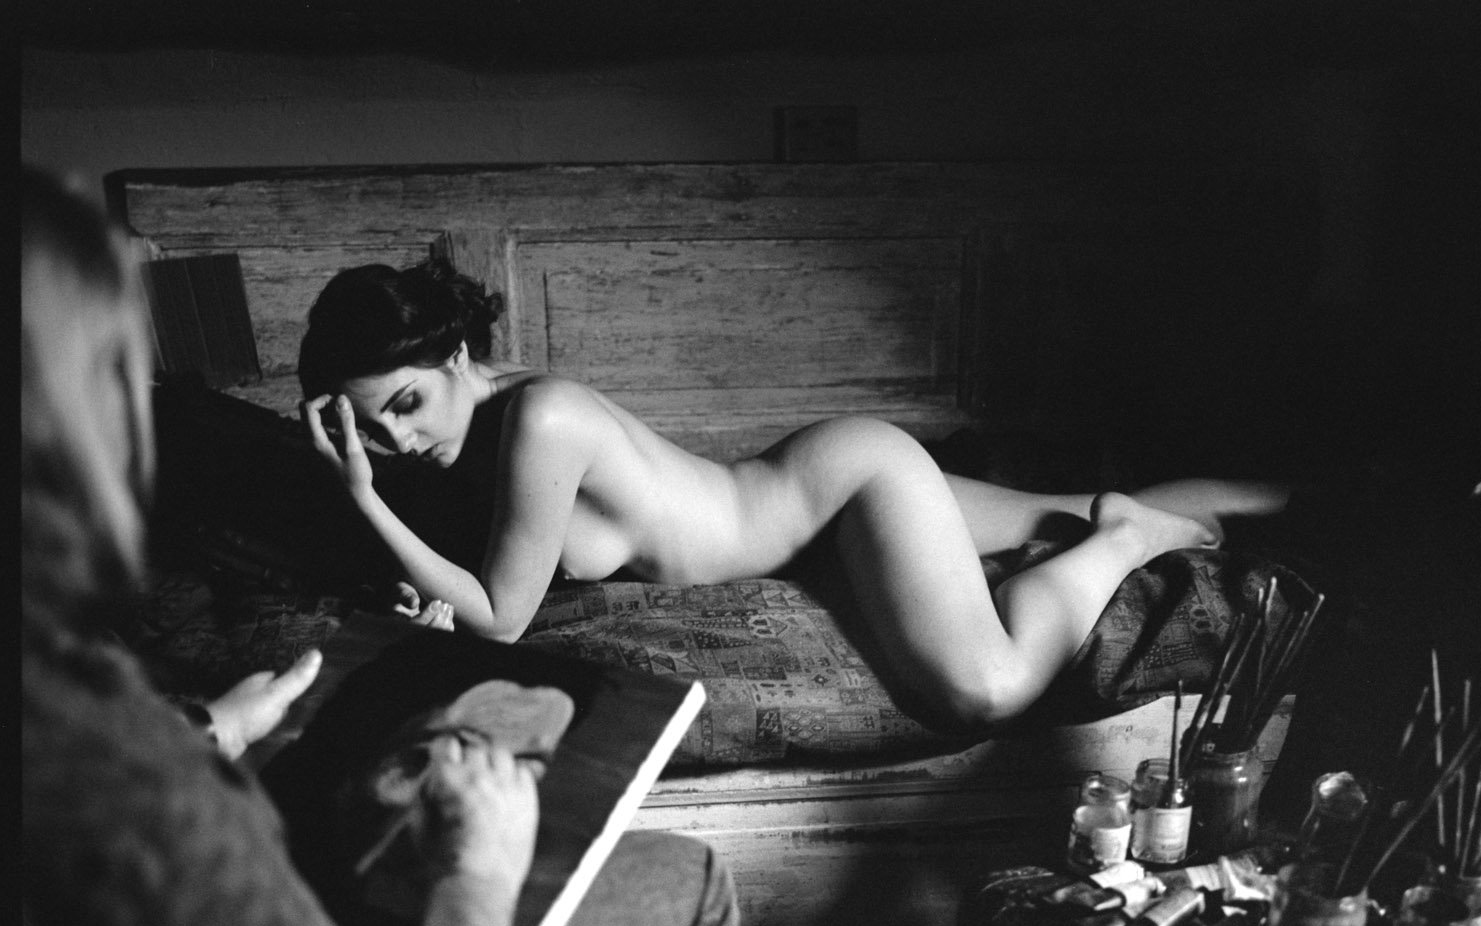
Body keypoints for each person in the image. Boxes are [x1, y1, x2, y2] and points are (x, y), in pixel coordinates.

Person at [18, 164, 738, 926]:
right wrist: (477, 875)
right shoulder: (114, 768)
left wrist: (211, 728)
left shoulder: (72, 702)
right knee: (689, 889)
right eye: (123, 381)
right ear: (85, 414)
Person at [297, 259, 1289, 731]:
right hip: (813, 509)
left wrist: (360, 495)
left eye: (405, 405)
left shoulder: (539, 420)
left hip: (844, 488)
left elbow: (502, 617)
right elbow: (484, 578)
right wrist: (427, 587)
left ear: (457, 355)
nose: (396, 442)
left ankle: (1125, 541)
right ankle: (1299, 492)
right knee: (1060, 506)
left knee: (982, 687)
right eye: (369, 431)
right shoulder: (479, 431)